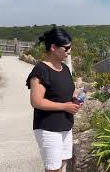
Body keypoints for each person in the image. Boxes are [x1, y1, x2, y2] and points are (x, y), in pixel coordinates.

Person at [26, 27, 79, 172]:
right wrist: (64, 107)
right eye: (66, 48)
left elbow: (66, 91)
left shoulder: (65, 68)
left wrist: (74, 98)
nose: (69, 51)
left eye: (70, 48)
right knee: (53, 169)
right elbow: (36, 101)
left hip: (65, 126)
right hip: (48, 128)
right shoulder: (41, 70)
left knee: (61, 165)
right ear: (53, 47)